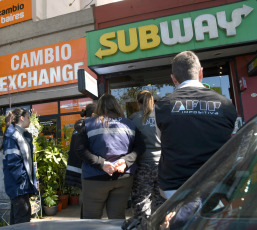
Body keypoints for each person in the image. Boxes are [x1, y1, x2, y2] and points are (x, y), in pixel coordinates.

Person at [155, 51, 237, 199]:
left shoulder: (162, 106)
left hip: (174, 189)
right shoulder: (226, 105)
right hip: (218, 185)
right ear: (201, 73)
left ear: (173, 79)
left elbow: (162, 140)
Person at [75, 94, 144, 219]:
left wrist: (101, 163)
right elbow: (140, 147)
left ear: (99, 107)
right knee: (117, 218)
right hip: (123, 177)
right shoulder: (129, 123)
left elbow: (79, 149)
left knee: (91, 220)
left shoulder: (89, 124)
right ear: (117, 106)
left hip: (94, 179)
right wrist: (125, 161)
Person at [122, 90, 165, 230]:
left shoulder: (134, 118)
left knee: (141, 199)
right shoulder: (161, 116)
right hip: (162, 164)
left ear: (138, 103)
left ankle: (143, 225)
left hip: (142, 164)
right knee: (160, 198)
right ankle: (161, 224)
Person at [1, 108, 38, 225]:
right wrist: (22, 181)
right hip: (19, 186)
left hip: (20, 185)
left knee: (18, 220)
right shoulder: (13, 135)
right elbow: (13, 162)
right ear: (21, 118)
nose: (30, 120)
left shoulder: (21, 135)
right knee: (22, 220)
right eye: (28, 117)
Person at [64, 103, 96, 218]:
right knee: (88, 201)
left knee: (85, 197)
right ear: (93, 114)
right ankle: (86, 223)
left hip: (76, 168)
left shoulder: (78, 127)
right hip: (86, 168)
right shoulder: (88, 127)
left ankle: (85, 221)